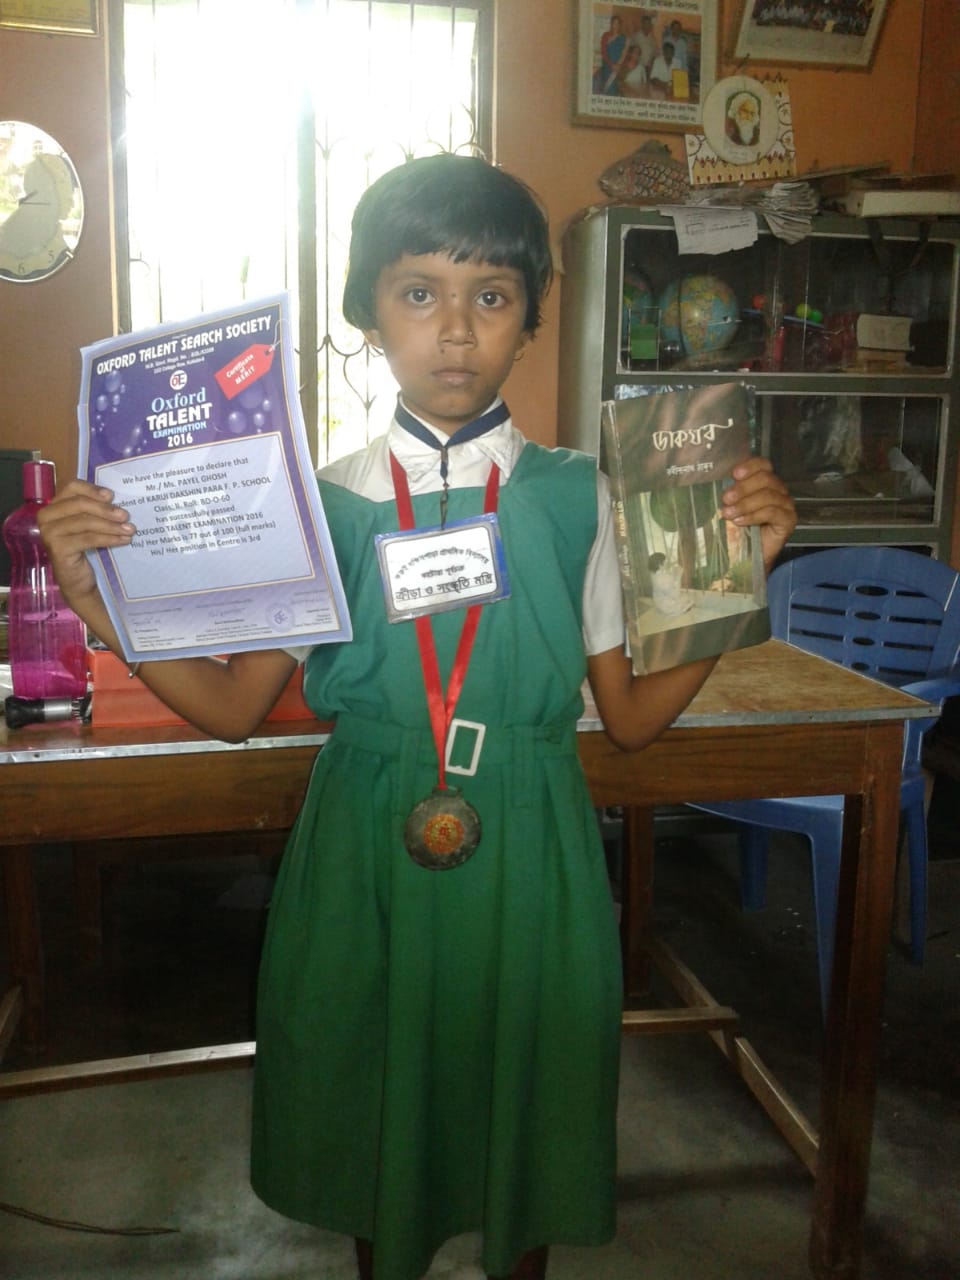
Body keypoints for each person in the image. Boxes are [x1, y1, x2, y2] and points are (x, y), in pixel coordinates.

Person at [39, 154, 797, 1280]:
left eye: (490, 295)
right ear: (368, 314)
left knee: (528, 1092)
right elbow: (237, 706)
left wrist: (739, 576)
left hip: (532, 835)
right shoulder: (322, 502)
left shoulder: (584, 495)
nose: (454, 329)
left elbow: (632, 722)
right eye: (418, 292)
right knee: (371, 1085)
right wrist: (99, 604)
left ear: (529, 320)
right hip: (364, 835)